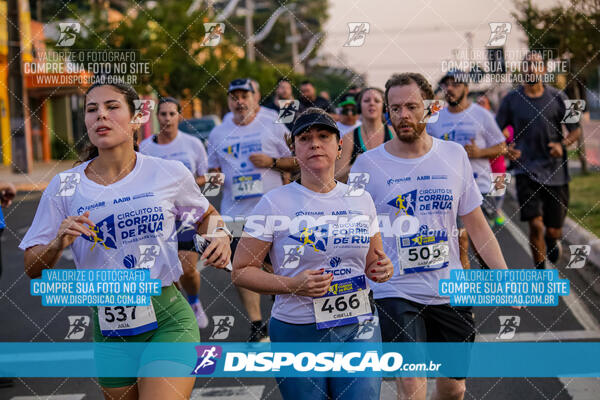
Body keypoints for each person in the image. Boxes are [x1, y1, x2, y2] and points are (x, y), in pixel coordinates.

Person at [20, 81, 232, 400]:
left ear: (135, 119)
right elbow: (32, 268)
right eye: (92, 110)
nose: (100, 115)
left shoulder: (167, 172)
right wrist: (58, 243)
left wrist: (220, 236)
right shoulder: (65, 185)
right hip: (109, 329)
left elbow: (206, 215)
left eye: (112, 107)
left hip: (168, 318)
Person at [351, 73, 515, 400]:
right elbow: (354, 231)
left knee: (454, 389)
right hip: (394, 290)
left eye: (412, 107)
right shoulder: (366, 165)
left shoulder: (454, 156)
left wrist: (503, 277)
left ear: (431, 108)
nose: (403, 116)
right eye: (395, 108)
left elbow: (478, 224)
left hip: (449, 286)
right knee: (411, 385)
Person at [232, 107, 393, 400]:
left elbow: (375, 262)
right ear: (293, 148)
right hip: (297, 331)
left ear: (339, 144)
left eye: (323, 136)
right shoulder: (273, 202)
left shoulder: (362, 199)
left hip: (358, 326)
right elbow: (241, 270)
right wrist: (294, 285)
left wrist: (383, 269)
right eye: (305, 138)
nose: (315, 143)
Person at [207, 78, 298, 342]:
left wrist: (271, 162)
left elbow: (296, 160)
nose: (240, 101)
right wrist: (214, 179)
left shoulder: (273, 122)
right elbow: (214, 171)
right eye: (234, 97)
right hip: (234, 212)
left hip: (273, 209)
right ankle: (257, 324)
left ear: (256, 97)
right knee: (241, 269)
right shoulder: (218, 132)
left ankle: (283, 308)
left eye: (245, 96)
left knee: (277, 266)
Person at [496, 51, 581, 269]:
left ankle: (552, 240)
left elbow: (576, 130)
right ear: (522, 71)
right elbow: (495, 132)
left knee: (553, 229)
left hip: (556, 173)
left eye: (536, 65)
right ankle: (540, 274)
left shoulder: (559, 97)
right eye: (527, 65)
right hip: (526, 171)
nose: (531, 69)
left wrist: (561, 146)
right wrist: (507, 149)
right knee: (534, 224)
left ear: (543, 70)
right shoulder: (511, 100)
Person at [139, 96, 212, 329]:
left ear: (179, 116)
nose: (168, 118)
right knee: (165, 270)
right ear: (157, 117)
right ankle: (177, 307)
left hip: (185, 214)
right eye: (163, 114)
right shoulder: (146, 148)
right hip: (155, 218)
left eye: (172, 114)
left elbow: (206, 177)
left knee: (188, 269)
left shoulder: (192, 144)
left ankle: (194, 301)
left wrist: (183, 182)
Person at [427, 69, 506, 269]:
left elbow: (501, 146)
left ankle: (489, 273)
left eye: (456, 84)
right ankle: (463, 293)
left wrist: (479, 153)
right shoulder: (435, 119)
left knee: (480, 243)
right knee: (459, 240)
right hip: (447, 188)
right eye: (447, 85)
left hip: (479, 185)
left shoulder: (482, 115)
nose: (450, 89)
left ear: (466, 88)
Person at [335, 87, 394, 182]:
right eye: (366, 101)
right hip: (360, 193)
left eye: (377, 101)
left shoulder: (394, 134)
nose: (371, 103)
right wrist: (358, 164)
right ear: (359, 107)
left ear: (383, 107)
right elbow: (336, 179)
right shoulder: (349, 138)